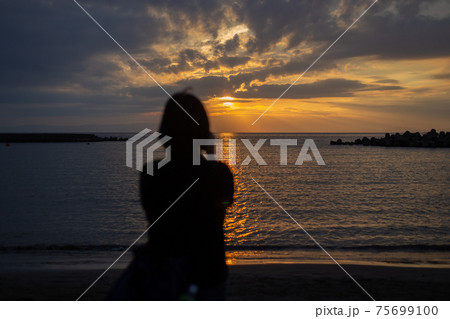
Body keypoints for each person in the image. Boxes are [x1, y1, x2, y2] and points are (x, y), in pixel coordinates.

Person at [108, 91, 234, 300]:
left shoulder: (151, 174)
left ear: (164, 132)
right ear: (203, 132)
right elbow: (222, 205)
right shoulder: (219, 175)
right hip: (208, 278)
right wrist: (209, 152)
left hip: (163, 276)